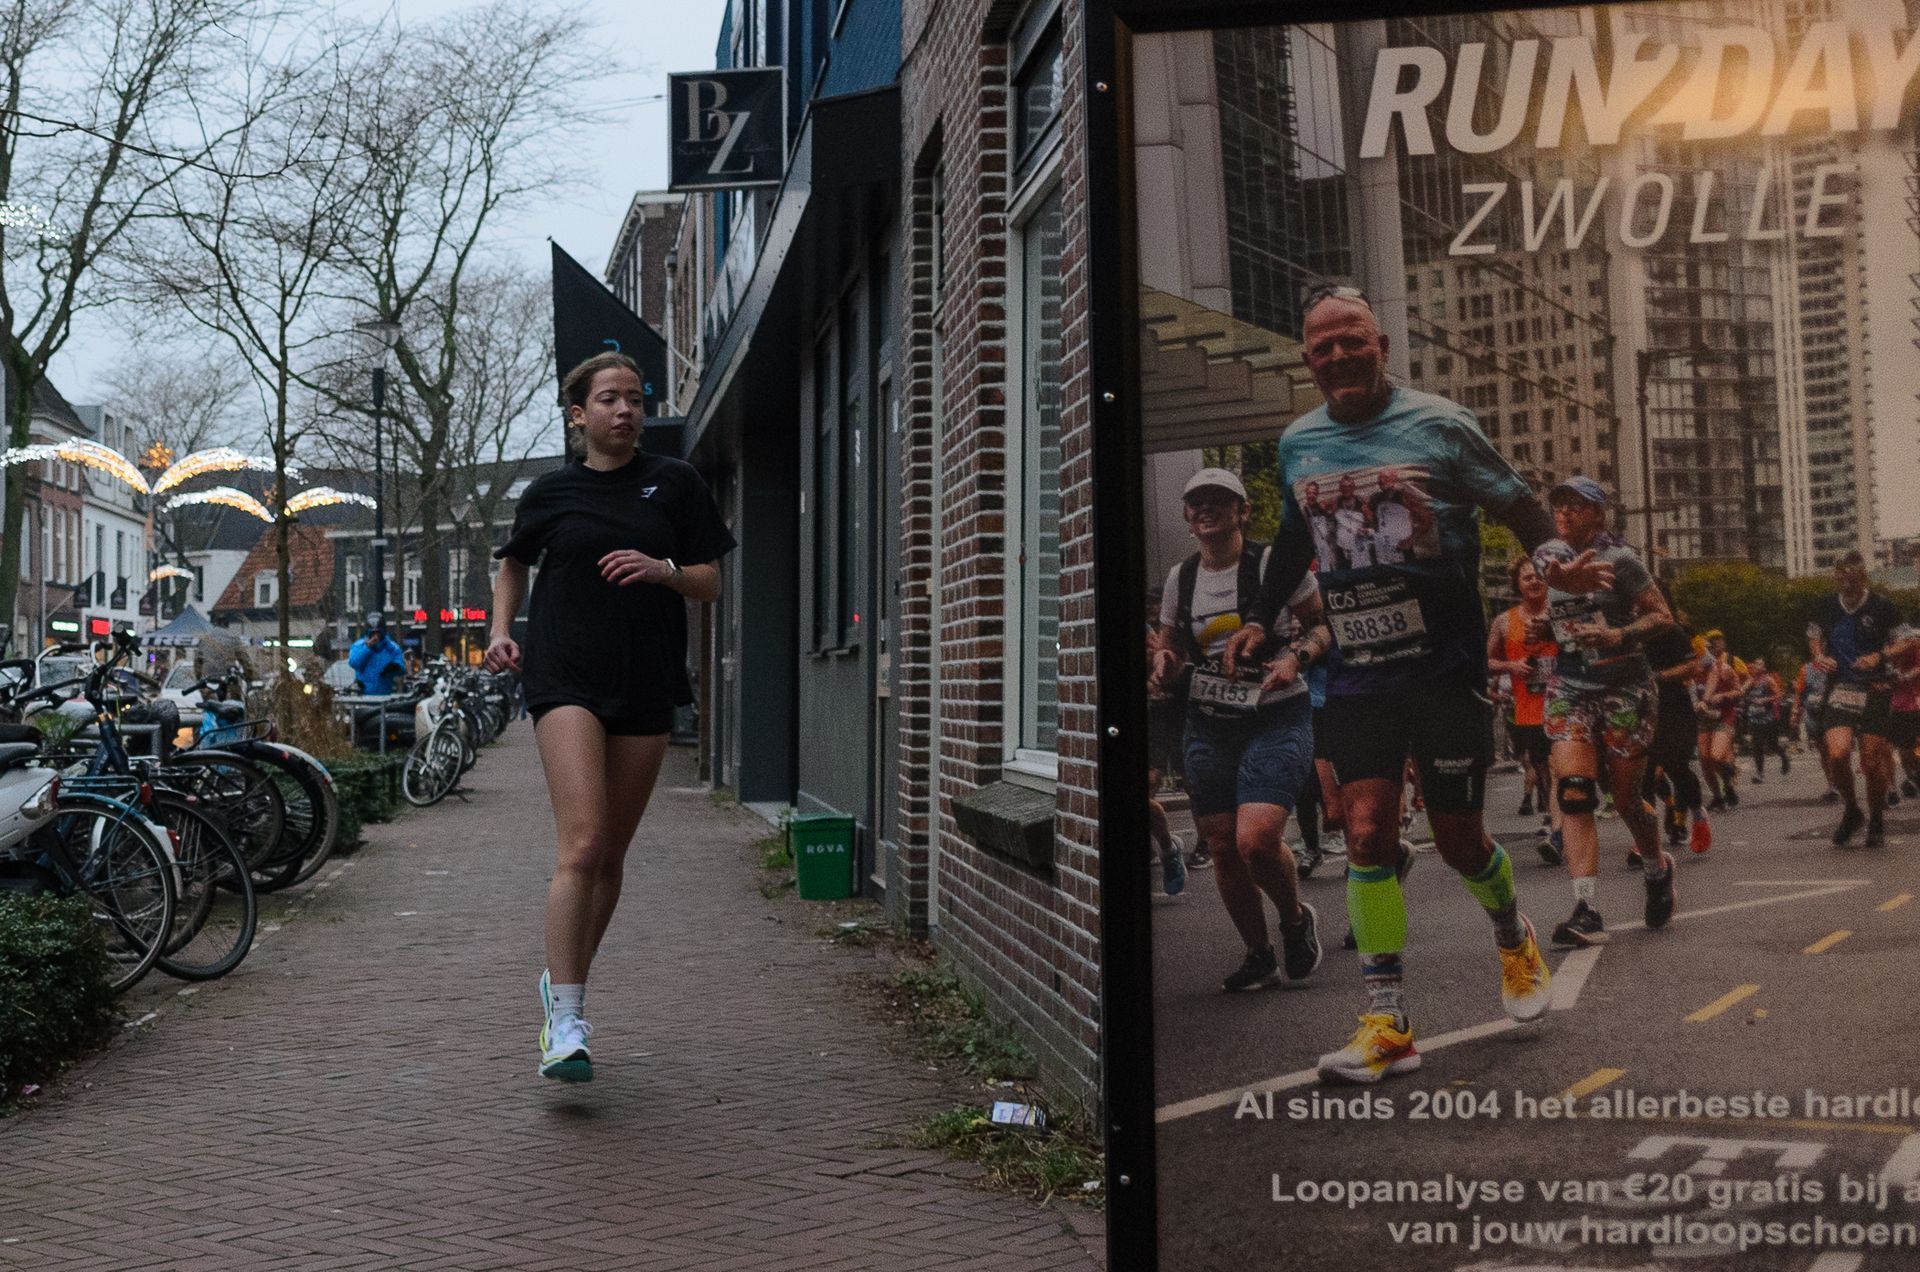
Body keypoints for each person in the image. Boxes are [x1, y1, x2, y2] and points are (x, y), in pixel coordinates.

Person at [1225, 285, 1601, 1084]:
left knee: (1461, 840)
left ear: (1382, 344)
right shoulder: (1298, 443)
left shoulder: (1441, 423)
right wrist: (1259, 618)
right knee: (1367, 833)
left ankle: (1512, 936)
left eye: (1352, 341)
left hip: (1444, 665)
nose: (1338, 356)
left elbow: (1517, 504)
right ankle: (1388, 1022)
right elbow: (1294, 541)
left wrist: (1548, 557)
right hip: (1358, 670)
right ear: (1308, 361)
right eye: (1323, 347)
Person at [486, 351, 736, 1082]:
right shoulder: (551, 491)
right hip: (563, 675)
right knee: (585, 842)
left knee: (613, 856)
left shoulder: (677, 484)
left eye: (634, 398)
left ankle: (562, 983)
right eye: (608, 399)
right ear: (579, 414)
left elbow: (711, 581)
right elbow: (513, 563)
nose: (625, 410)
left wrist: (664, 571)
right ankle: (566, 1021)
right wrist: (502, 631)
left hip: (647, 678)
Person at [1149, 468, 1328, 991]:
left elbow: (1322, 625)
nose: (1206, 509)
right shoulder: (1182, 579)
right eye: (1196, 502)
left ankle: (1295, 919)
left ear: (1242, 511)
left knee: (1257, 839)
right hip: (1209, 723)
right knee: (1223, 845)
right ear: (1186, 516)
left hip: (1276, 714)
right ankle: (1258, 954)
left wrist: (1296, 657)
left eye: (1219, 501)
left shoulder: (1274, 564)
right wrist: (1166, 664)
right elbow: (1171, 646)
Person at [1529, 479, 1675, 947]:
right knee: (1573, 792)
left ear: (1599, 513)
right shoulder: (1550, 557)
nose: (1564, 512)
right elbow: (1557, 607)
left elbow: (1662, 617)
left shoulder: (1622, 561)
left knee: (1627, 800)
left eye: (1576, 505)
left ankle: (1656, 868)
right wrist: (1542, 628)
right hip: (1571, 687)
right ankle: (1586, 908)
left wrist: (1620, 634)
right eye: (1558, 505)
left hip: (1626, 689)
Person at [1810, 551, 1901, 847]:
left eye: (1851, 577)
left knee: (1872, 762)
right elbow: (1814, 636)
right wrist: (1820, 657)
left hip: (1875, 687)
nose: (1845, 583)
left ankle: (1876, 816)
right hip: (1842, 687)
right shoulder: (1826, 606)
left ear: (1861, 577)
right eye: (1840, 577)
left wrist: (1880, 654)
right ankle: (1852, 809)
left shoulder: (1882, 606)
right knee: (1837, 753)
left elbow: (1908, 639)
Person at [1487, 556, 1559, 856]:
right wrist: (1511, 666)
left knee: (1558, 769)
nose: (1534, 581)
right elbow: (1487, 662)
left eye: (1540, 576)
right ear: (1517, 583)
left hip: (1562, 705)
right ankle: (1555, 814)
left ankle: (1558, 834)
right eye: (1528, 577)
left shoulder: (1559, 614)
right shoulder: (1504, 621)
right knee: (1542, 768)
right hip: (1528, 709)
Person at [1145, 587, 1188, 896]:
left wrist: (1155, 675)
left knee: (1148, 786)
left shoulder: (1150, 635)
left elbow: (1168, 665)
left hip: (1153, 718)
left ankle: (1168, 850)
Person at [1694, 631, 1744, 811]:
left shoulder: (1725, 669)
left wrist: (1723, 696)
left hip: (1725, 717)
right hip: (1703, 720)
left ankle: (1728, 781)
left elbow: (1739, 692)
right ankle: (1718, 797)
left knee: (1716, 756)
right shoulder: (1692, 673)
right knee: (1705, 761)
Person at [1741, 658, 1788, 784]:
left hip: (1768, 719)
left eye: (1759, 665)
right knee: (1756, 746)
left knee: (1772, 745)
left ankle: (1784, 757)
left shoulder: (1768, 680)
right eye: (1755, 664)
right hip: (1754, 718)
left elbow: (1780, 695)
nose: (1756, 667)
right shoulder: (1751, 681)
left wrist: (1765, 700)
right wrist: (1741, 691)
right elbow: (1742, 690)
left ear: (1763, 668)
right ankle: (1759, 773)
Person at [347, 613, 407, 695]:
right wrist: (367, 648)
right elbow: (354, 663)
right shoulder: (359, 646)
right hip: (363, 697)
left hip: (385, 696)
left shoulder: (392, 648)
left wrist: (395, 667)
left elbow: (402, 668)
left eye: (378, 633)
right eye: (373, 633)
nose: (376, 637)